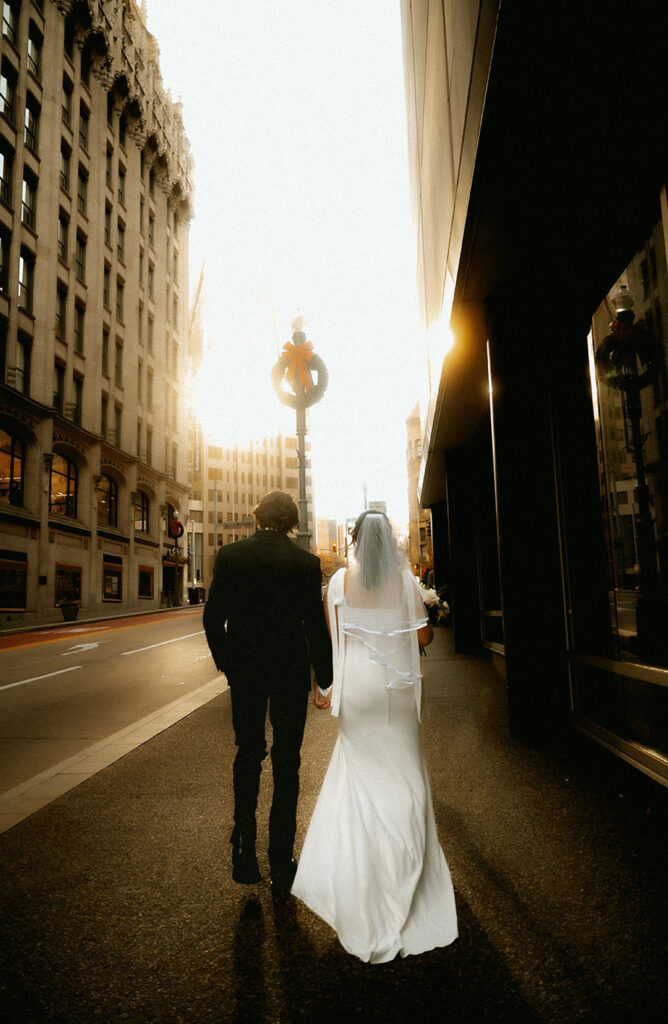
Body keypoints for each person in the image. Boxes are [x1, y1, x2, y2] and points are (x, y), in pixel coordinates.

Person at [292, 509, 458, 961]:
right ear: (390, 542)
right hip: (398, 687)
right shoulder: (405, 584)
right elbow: (422, 638)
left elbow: (334, 641)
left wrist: (326, 688)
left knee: (360, 780)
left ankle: (361, 879)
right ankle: (406, 870)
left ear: (355, 542)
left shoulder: (338, 585)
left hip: (359, 687)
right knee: (405, 774)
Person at [203, 491, 333, 894]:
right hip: (290, 673)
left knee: (248, 753)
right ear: (292, 522)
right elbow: (315, 626)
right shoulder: (306, 564)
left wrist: (229, 665)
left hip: (247, 673)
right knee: (287, 761)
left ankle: (243, 845)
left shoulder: (231, 556)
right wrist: (325, 678)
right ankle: (282, 858)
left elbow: (212, 619)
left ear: (256, 516)